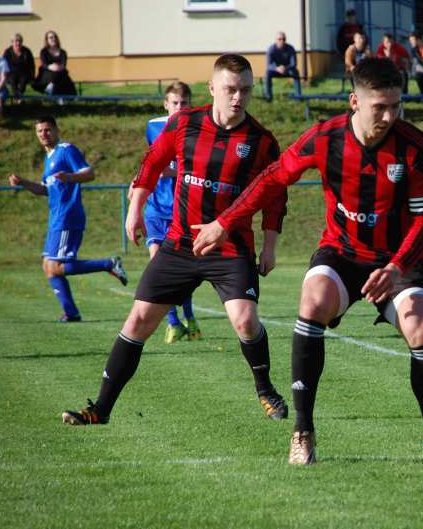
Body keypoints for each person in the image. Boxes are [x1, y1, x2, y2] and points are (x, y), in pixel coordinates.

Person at [192, 57, 423, 466]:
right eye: (378, 107)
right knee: (312, 301)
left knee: (421, 329)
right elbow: (273, 178)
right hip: (343, 252)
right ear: (354, 101)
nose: (388, 116)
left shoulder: (415, 147)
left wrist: (398, 266)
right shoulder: (325, 138)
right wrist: (226, 222)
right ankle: (302, 432)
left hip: (398, 259)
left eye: (395, 106)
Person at [60, 53, 289, 427]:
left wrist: (270, 245)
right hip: (180, 244)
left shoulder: (262, 141)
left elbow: (275, 196)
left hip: (230, 247)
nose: (238, 97)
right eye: (231, 89)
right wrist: (135, 209)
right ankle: (99, 409)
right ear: (212, 87)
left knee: (245, 322)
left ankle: (265, 389)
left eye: (246, 90)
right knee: (137, 322)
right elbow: (152, 163)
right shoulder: (185, 124)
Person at [8, 116, 129, 321]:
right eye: (39, 131)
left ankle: (108, 264)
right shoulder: (49, 158)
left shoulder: (66, 150)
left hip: (67, 216)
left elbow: (89, 173)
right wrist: (23, 182)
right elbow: (45, 189)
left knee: (56, 266)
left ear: (56, 130)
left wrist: (70, 177)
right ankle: (71, 313)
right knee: (48, 266)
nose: (44, 134)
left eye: (47, 130)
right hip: (56, 217)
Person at [134, 81, 203, 344]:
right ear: (166, 104)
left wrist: (172, 171)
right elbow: (151, 160)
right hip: (155, 208)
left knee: (180, 270)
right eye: (175, 103)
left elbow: (194, 167)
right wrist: (137, 182)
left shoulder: (198, 128)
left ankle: (190, 318)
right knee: (157, 266)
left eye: (184, 104)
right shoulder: (153, 126)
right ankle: (174, 324)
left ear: (190, 104)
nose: (179, 108)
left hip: (181, 210)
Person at [33, 30, 76, 96]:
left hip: (60, 72)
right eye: (51, 37)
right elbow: (44, 64)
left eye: (55, 37)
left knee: (60, 76)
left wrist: (58, 67)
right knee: (54, 75)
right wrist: (51, 67)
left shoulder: (63, 52)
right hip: (47, 73)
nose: (53, 39)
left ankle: (52, 90)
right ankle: (58, 96)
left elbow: (63, 65)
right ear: (47, 40)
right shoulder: (44, 51)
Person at [264, 31, 301, 102]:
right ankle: (268, 97)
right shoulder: (271, 49)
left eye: (284, 39)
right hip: (276, 71)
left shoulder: (291, 48)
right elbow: (269, 65)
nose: (282, 41)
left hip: (288, 70)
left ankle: (298, 97)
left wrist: (286, 68)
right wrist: (277, 68)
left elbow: (294, 63)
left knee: (296, 72)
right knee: (268, 73)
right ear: (276, 40)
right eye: (279, 39)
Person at [2, 33, 35, 101]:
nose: (18, 43)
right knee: (12, 79)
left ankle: (18, 96)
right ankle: (17, 97)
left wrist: (32, 76)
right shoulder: (7, 52)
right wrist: (3, 76)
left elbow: (32, 65)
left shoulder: (27, 51)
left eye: (19, 41)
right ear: (12, 42)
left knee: (23, 79)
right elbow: (4, 65)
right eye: (16, 41)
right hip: (11, 73)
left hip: (24, 73)